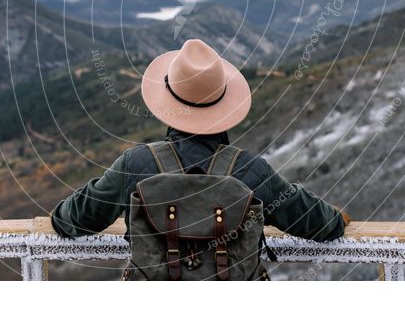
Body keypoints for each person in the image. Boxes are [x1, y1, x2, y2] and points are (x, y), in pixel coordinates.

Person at [51, 39, 350, 251]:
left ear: (167, 104)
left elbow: (71, 220)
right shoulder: (252, 172)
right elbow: (322, 225)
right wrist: (338, 218)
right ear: (225, 106)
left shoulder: (135, 165)